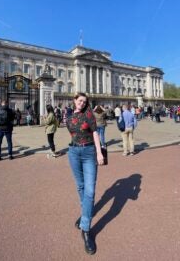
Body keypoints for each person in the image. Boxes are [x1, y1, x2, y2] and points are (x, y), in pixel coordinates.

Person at [66, 93, 104, 255]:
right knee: (80, 186)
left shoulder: (89, 114)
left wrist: (99, 153)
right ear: (74, 101)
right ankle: (85, 213)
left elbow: (95, 133)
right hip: (73, 152)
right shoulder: (68, 115)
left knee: (90, 190)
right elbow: (73, 134)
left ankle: (86, 229)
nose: (81, 103)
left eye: (84, 101)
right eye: (79, 100)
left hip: (89, 152)